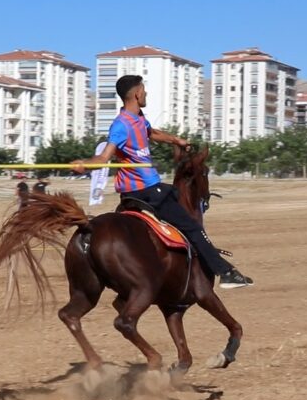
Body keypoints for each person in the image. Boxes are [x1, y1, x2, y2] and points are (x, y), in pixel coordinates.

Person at [71, 75, 253, 289]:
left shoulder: (138, 118)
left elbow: (152, 133)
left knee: (177, 194)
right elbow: (104, 157)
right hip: (146, 190)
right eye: (144, 90)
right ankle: (225, 272)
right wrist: (84, 164)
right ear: (137, 94)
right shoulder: (121, 125)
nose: (146, 93)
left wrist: (176, 140)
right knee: (192, 226)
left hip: (146, 189)